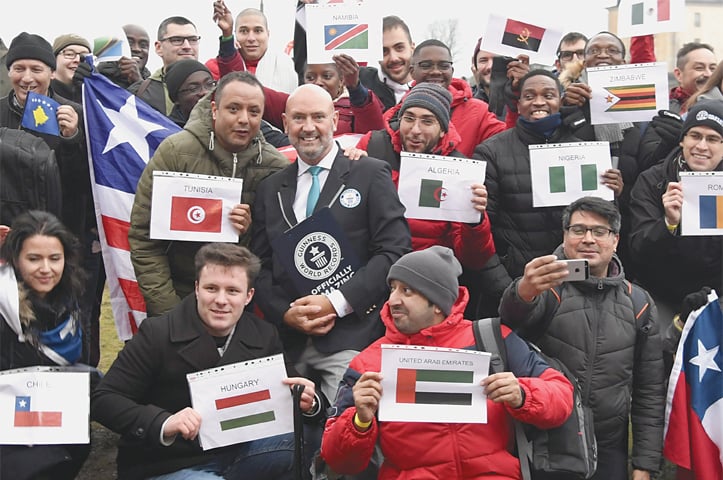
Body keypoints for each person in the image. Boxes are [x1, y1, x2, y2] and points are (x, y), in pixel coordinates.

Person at [320, 245, 574, 478]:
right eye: (393, 289)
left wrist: (523, 394)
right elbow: (339, 463)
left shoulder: (492, 338)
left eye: (407, 290)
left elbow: (562, 395)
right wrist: (359, 421)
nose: (393, 300)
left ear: (439, 304)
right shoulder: (368, 363)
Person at [91, 242, 323, 480]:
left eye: (232, 291)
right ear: (197, 288)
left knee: (310, 434)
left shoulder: (264, 335)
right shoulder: (157, 333)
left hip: (240, 454)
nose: (221, 300)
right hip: (168, 463)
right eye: (212, 288)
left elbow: (296, 390)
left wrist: (309, 402)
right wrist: (163, 422)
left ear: (248, 296)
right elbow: (104, 400)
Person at [250, 84, 411, 400]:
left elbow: (394, 251)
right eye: (298, 118)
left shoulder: (369, 173)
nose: (308, 127)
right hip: (288, 344)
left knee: (346, 430)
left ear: (335, 120)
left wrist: (337, 303)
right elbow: (259, 265)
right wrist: (285, 313)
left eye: (318, 117)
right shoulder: (270, 189)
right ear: (284, 123)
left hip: (352, 338)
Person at [499, 196, 665, 480]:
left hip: (608, 445)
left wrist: (644, 464)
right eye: (578, 230)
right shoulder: (544, 285)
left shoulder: (639, 302)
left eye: (599, 231)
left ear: (615, 240)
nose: (588, 239)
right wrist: (522, 292)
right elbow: (510, 325)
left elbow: (649, 389)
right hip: (546, 441)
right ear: (564, 236)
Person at [129, 71, 289, 317]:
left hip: (243, 305)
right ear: (214, 109)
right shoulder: (175, 152)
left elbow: (275, 250)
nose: (244, 119)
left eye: (254, 111)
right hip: (179, 296)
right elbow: (144, 239)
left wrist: (247, 231)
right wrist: (169, 313)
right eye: (233, 109)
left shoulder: (275, 166)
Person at [0, 32, 100, 365]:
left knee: (69, 316)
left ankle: (78, 390)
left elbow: (86, 186)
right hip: (7, 238)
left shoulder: (73, 114)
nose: (27, 77)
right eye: (18, 68)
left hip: (63, 238)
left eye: (37, 69)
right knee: (11, 320)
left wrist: (72, 139)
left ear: (51, 72)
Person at [357, 82, 496, 317]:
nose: (415, 130)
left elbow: (473, 258)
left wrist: (475, 219)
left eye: (427, 121)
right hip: (369, 277)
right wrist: (348, 168)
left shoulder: (458, 170)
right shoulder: (373, 146)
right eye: (409, 118)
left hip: (423, 292)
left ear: (443, 129)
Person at [473, 70, 605, 309]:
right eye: (529, 95)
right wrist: (509, 290)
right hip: (516, 284)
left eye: (548, 94)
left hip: (575, 289)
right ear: (519, 103)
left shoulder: (585, 152)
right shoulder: (491, 152)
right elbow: (481, 233)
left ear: (560, 100)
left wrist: (613, 190)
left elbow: (601, 224)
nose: (539, 102)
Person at [629, 100, 723, 372]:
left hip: (717, 293)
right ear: (682, 140)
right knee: (656, 368)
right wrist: (668, 225)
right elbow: (637, 250)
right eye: (694, 135)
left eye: (713, 139)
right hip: (662, 294)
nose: (701, 146)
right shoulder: (654, 180)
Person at [0, 210, 91, 480]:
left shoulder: (69, 300)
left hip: (54, 410)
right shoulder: (5, 306)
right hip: (10, 422)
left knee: (75, 446)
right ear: (15, 260)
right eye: (33, 259)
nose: (46, 269)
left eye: (54, 258)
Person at [408, 39, 506, 157]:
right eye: (426, 66)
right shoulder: (395, 114)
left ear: (452, 71)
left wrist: (515, 106)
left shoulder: (479, 112)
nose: (435, 71)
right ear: (412, 71)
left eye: (444, 66)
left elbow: (508, 147)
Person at [259, 54, 385, 136]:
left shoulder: (359, 105)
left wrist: (355, 88)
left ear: (341, 80)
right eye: (310, 77)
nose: (318, 82)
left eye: (327, 76)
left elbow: (374, 132)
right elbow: (256, 94)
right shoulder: (292, 104)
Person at [212, 2, 298, 93]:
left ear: (268, 34)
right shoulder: (216, 67)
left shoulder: (285, 64)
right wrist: (227, 33)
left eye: (258, 31)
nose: (251, 38)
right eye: (244, 31)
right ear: (235, 34)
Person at [129, 16, 200, 116]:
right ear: (159, 48)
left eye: (193, 39)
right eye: (176, 40)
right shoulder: (140, 93)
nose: (187, 46)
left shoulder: (211, 87)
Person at [359, 15, 415, 111]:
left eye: (399, 48)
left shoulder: (431, 87)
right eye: (384, 51)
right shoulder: (360, 83)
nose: (393, 58)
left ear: (412, 48)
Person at [96, 24, 152, 90]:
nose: (136, 49)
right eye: (129, 43)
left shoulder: (156, 86)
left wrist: (138, 81)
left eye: (143, 45)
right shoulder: (96, 79)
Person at [163, 58, 215, 126]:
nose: (204, 92)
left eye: (209, 84)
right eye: (193, 88)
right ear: (176, 98)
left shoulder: (223, 122)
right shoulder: (168, 131)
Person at [669, 42, 717, 114]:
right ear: (679, 74)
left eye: (713, 68)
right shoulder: (664, 108)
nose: (709, 74)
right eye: (699, 68)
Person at [51, 33, 91, 104]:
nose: (77, 60)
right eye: (69, 54)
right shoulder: (43, 91)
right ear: (54, 59)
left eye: (83, 56)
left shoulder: (94, 95)